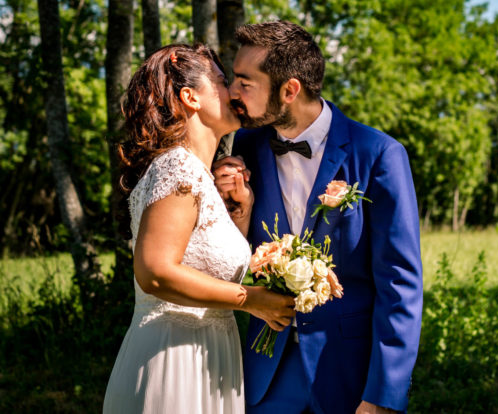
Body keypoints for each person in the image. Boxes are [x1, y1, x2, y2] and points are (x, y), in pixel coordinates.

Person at [214, 21, 423, 414]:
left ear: (289, 90)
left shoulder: (378, 154)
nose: (233, 93)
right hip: (266, 373)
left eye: (245, 82)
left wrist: (383, 395)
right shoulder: (245, 147)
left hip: (349, 374)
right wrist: (238, 211)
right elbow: (234, 257)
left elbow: (400, 283)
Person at [103, 44, 295, 414]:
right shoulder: (177, 168)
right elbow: (155, 273)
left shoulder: (200, 175)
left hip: (210, 353)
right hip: (174, 358)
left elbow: (202, 263)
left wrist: (241, 213)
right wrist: (250, 299)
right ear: (190, 97)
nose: (235, 92)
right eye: (224, 82)